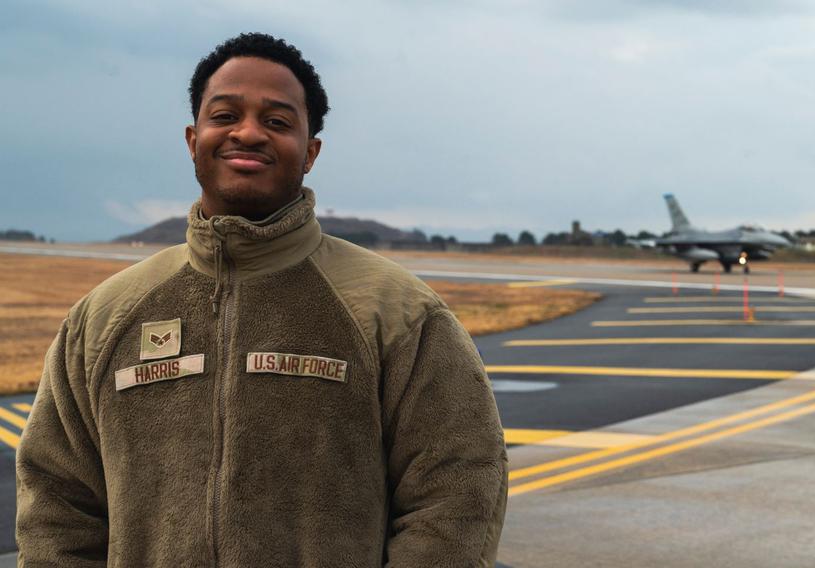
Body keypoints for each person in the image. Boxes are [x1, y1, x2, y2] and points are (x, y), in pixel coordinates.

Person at [16, 32, 508, 567]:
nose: (247, 133)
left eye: (277, 121)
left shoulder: (399, 313)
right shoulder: (103, 319)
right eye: (225, 115)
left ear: (311, 151)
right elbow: (56, 506)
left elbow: (457, 490)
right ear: (192, 138)